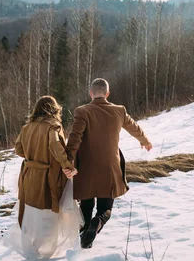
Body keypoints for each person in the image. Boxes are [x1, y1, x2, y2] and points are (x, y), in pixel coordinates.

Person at [65, 78, 153, 249]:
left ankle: (83, 241)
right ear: (107, 94)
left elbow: (75, 138)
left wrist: (68, 161)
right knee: (105, 208)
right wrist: (145, 140)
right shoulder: (119, 111)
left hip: (86, 168)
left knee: (86, 206)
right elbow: (133, 126)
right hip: (110, 167)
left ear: (91, 93)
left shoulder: (82, 111)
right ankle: (97, 224)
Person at [3, 96, 83, 261]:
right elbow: (55, 147)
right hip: (47, 175)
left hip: (29, 174)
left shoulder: (27, 127)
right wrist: (67, 166)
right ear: (54, 109)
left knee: (32, 211)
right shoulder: (53, 126)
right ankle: (43, 251)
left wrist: (32, 157)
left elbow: (18, 149)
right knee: (49, 213)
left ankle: (32, 246)